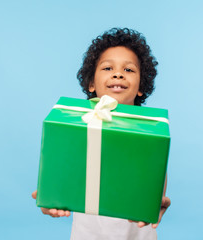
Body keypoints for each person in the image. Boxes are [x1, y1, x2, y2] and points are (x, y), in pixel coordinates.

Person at [32, 28, 171, 239]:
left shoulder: (150, 132)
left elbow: (156, 184)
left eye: (129, 70)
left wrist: (157, 203)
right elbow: (61, 175)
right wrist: (48, 199)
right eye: (107, 68)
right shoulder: (81, 127)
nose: (118, 74)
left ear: (141, 86)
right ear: (91, 83)